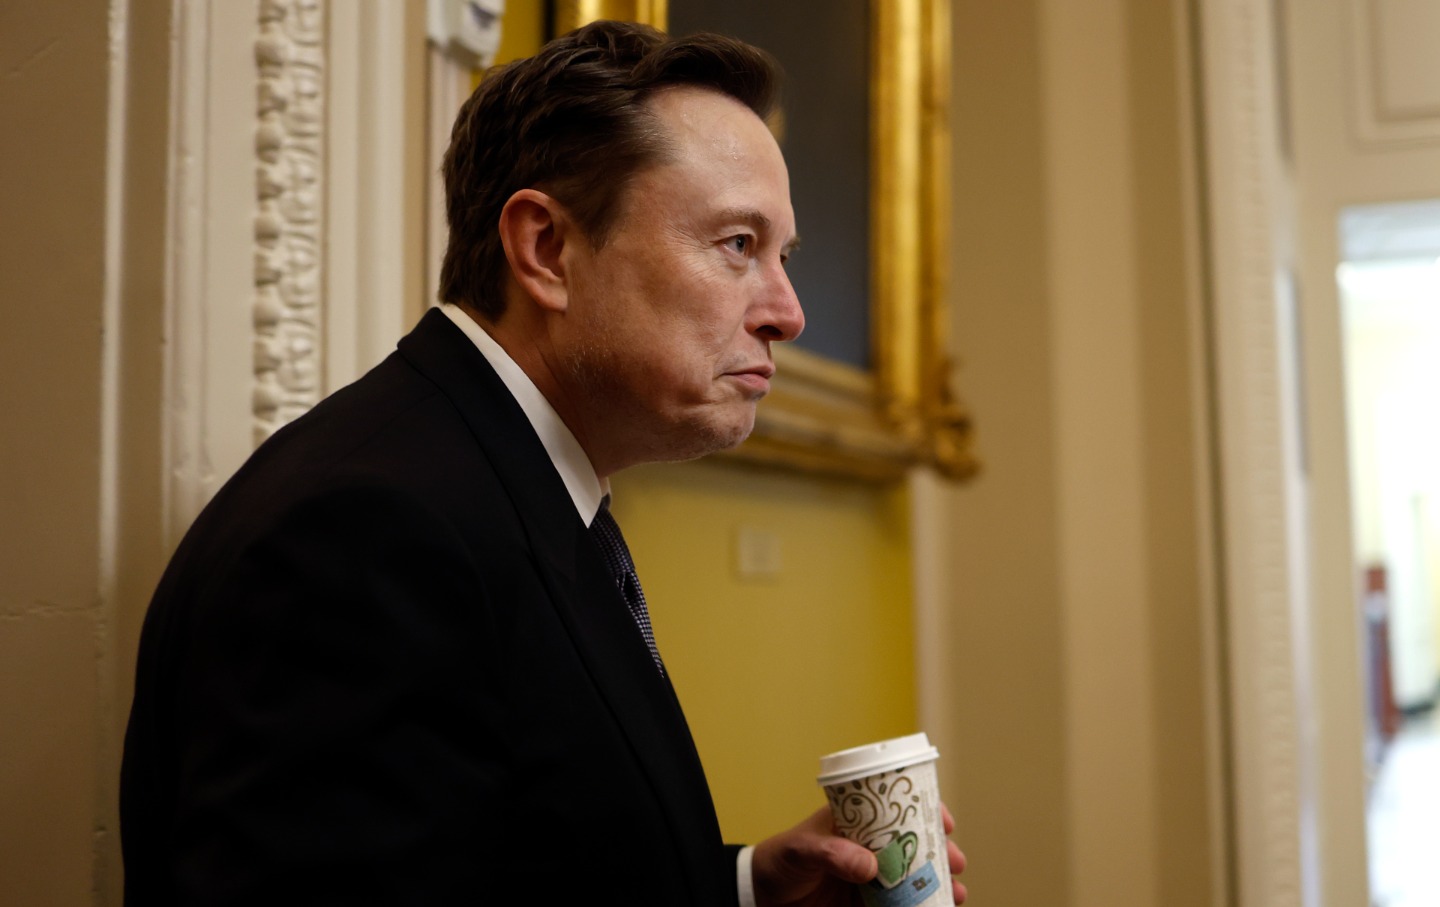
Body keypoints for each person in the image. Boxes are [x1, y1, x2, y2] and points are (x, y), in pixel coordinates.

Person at [120, 19, 966, 906]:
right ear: (547, 250)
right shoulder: (369, 532)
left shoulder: (501, 480)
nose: (786, 312)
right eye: (737, 246)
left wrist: (748, 887)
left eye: (782, 255)